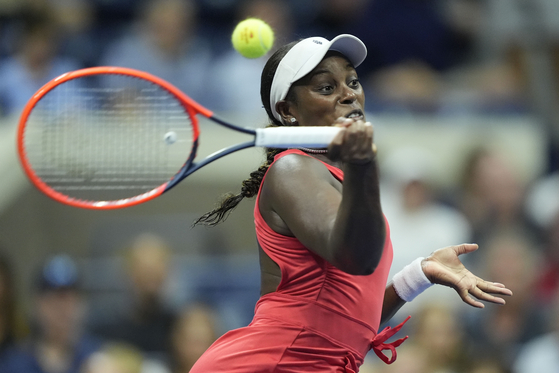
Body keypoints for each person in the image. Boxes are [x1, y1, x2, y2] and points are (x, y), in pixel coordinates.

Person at [191, 34, 512, 372]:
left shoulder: (339, 183)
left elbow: (347, 317)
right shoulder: (292, 169)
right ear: (288, 111)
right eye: (326, 88)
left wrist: (419, 274)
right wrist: (363, 166)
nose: (349, 94)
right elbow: (354, 257)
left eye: (353, 81)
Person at [0, 254, 102, 373]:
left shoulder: (100, 357)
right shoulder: (14, 363)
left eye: (68, 300)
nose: (61, 309)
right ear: (36, 305)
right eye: (52, 301)